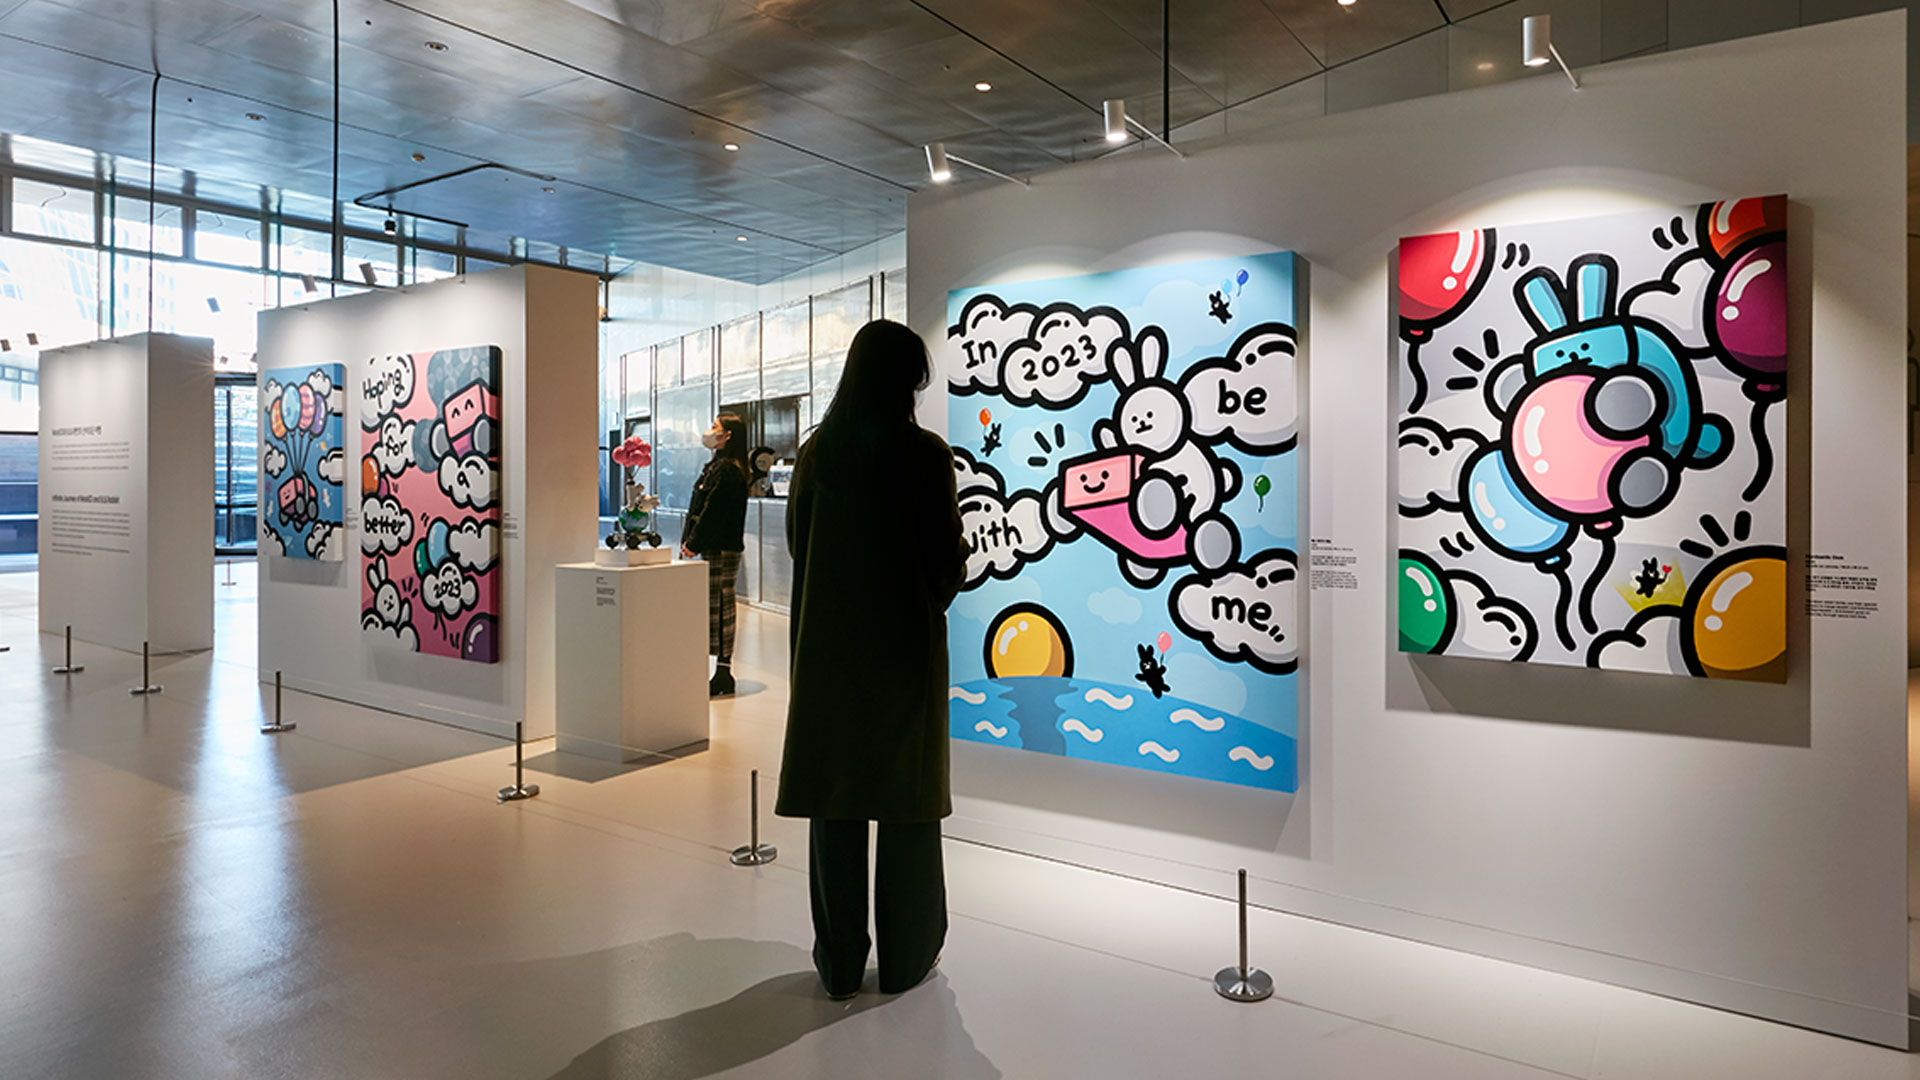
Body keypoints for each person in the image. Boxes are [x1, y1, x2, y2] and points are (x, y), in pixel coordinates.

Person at [776, 319, 966, 1001]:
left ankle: (838, 967)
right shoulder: (924, 456)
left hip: (828, 655)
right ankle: (907, 959)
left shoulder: (818, 454)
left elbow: (799, 544)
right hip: (904, 655)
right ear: (906, 382)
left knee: (836, 805)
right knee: (908, 807)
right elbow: (944, 563)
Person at [681, 411, 751, 697]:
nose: (709, 431)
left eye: (715, 427)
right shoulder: (718, 466)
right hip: (714, 546)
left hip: (721, 547)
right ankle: (720, 670)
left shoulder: (728, 470)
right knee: (716, 606)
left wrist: (694, 542)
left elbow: (714, 512)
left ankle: (724, 672)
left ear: (728, 435)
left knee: (721, 607)